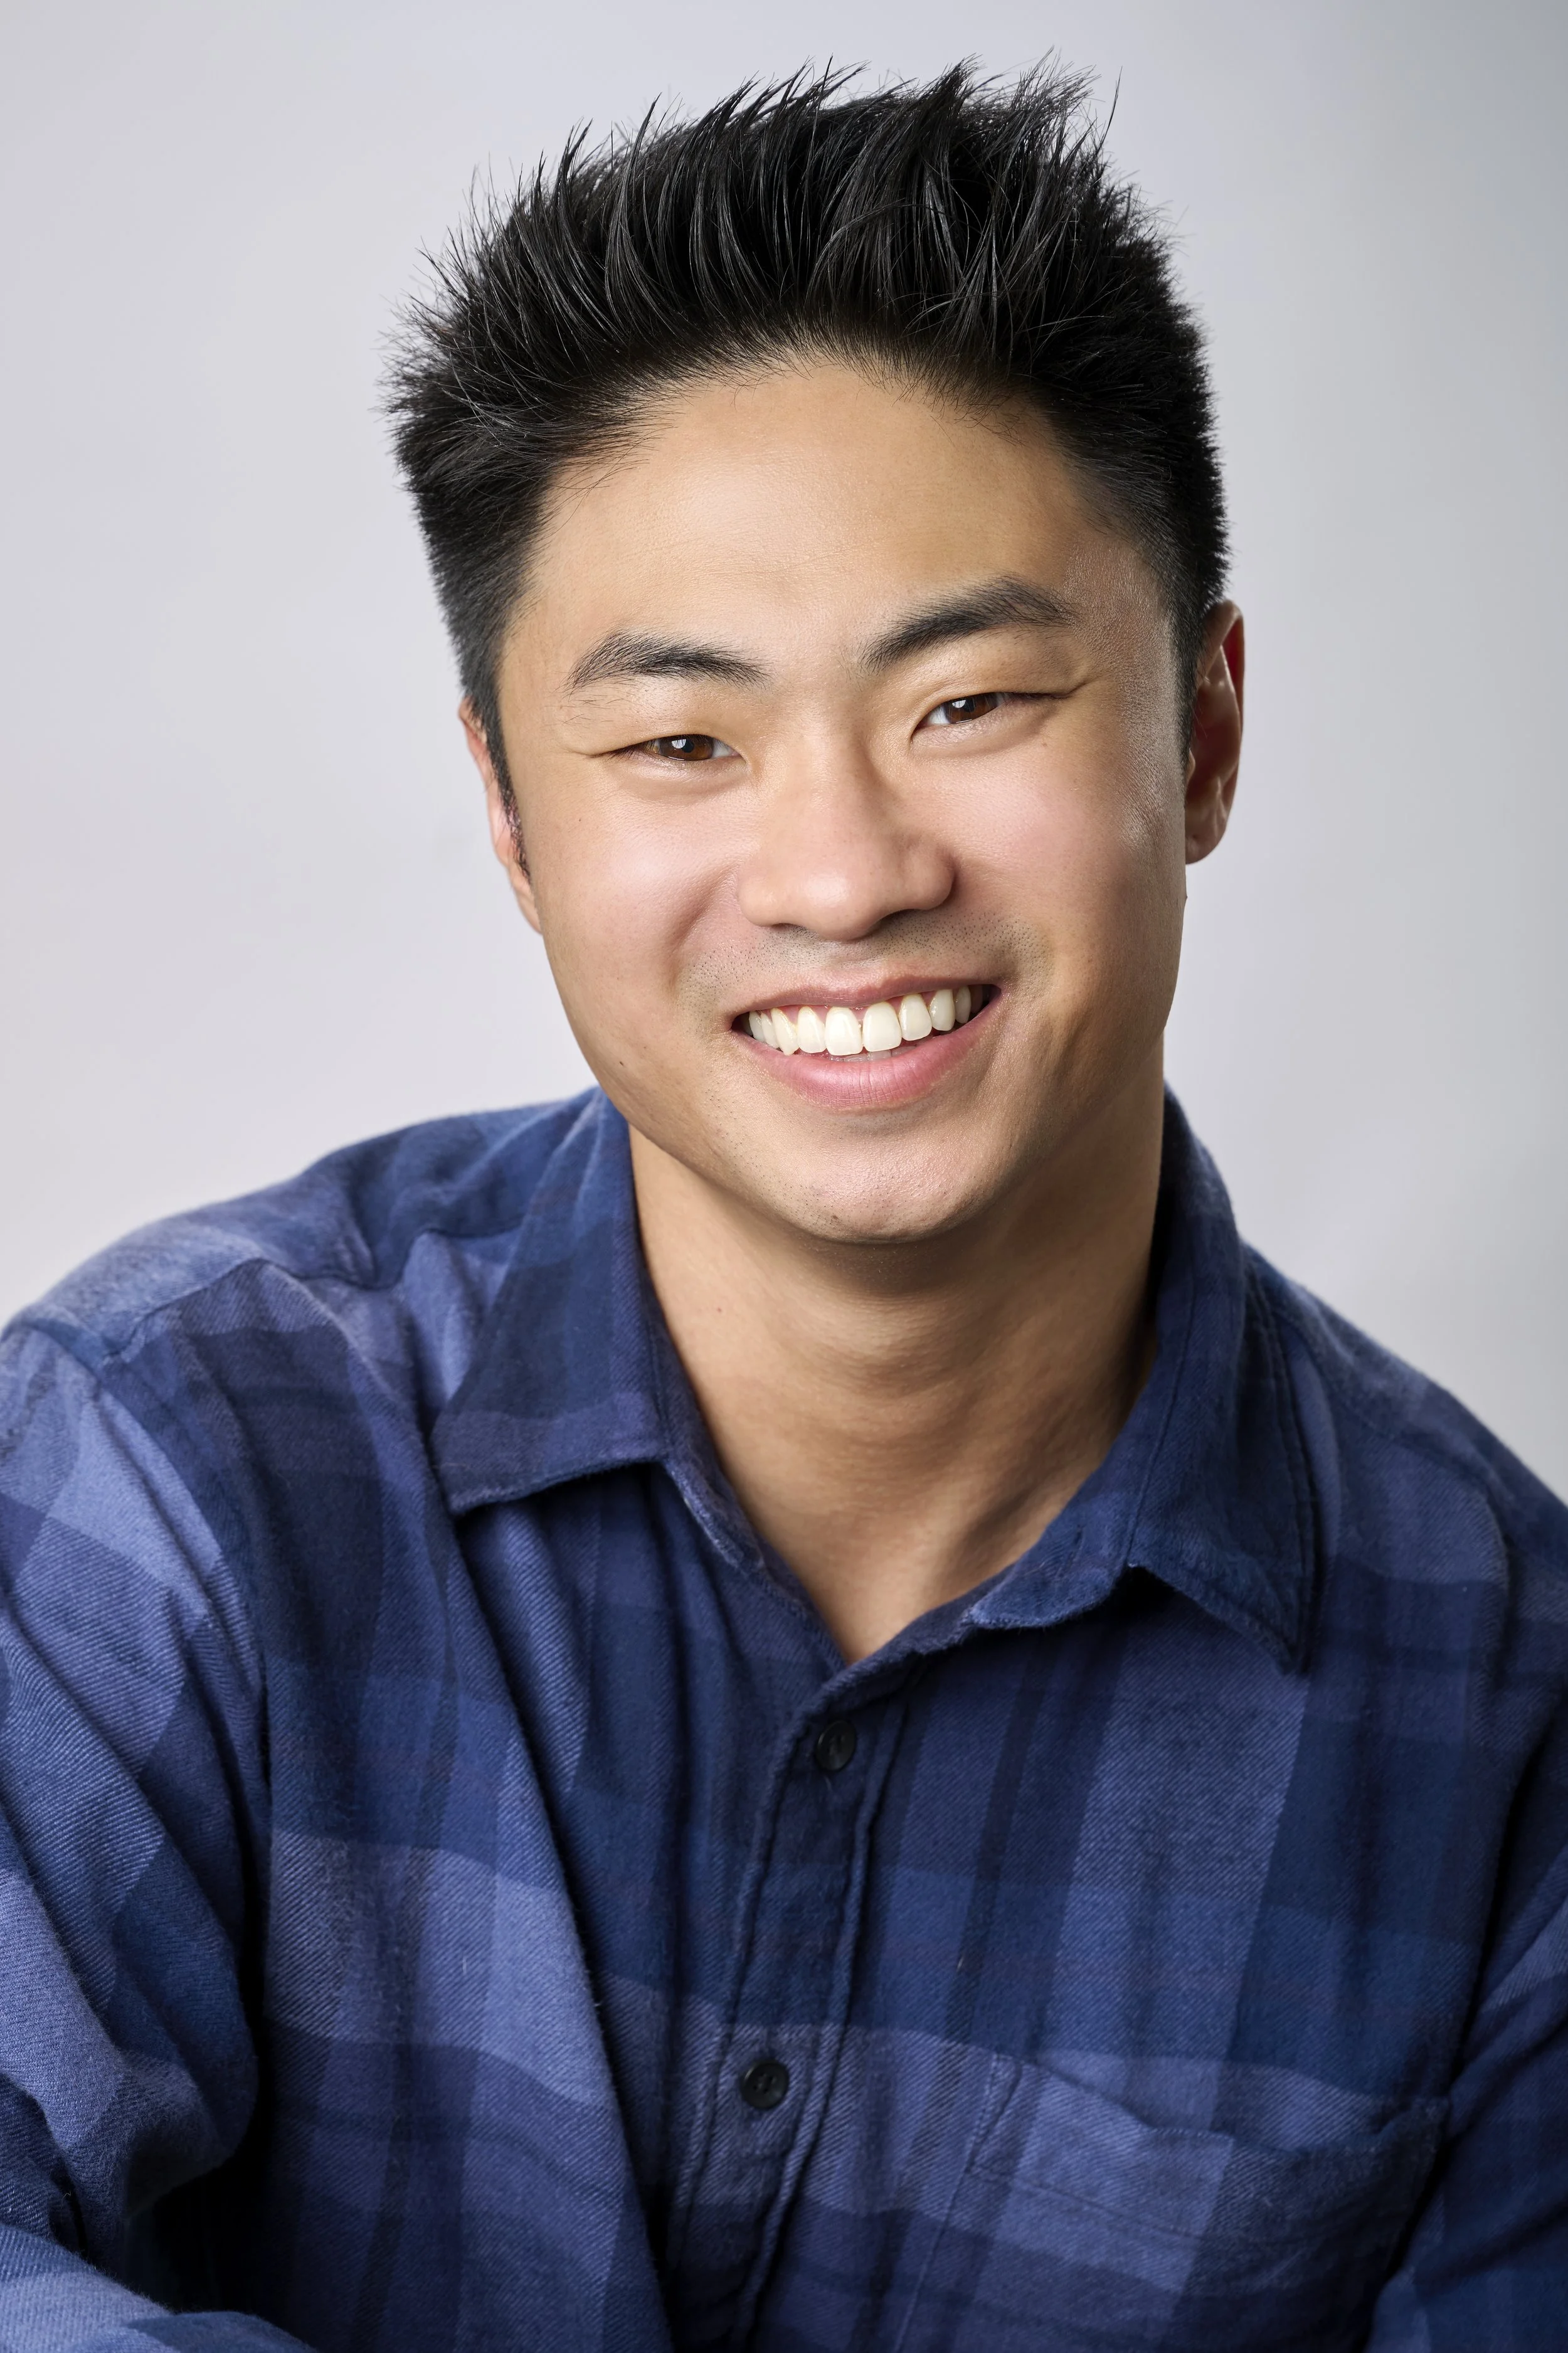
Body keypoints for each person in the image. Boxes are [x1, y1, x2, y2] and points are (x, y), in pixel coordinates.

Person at [0, 63, 1563, 2353]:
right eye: (678, 744)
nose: (841, 871)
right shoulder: (173, 1455)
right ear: (516, 823)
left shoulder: (1504, 1708)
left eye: (972, 699)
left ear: (1202, 735)